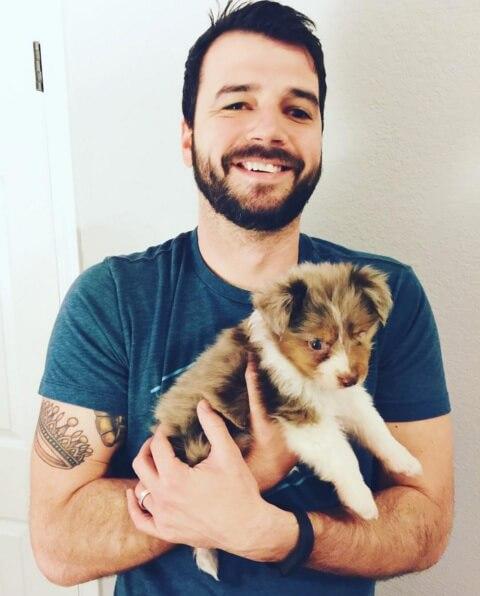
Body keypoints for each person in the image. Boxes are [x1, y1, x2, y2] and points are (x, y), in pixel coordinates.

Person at [29, 1, 453, 594]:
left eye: (297, 110)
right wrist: (248, 475)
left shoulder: (385, 296)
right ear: (188, 136)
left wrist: (276, 534)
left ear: (319, 139)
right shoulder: (113, 300)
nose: (268, 131)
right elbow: (59, 543)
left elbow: (427, 525)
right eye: (236, 104)